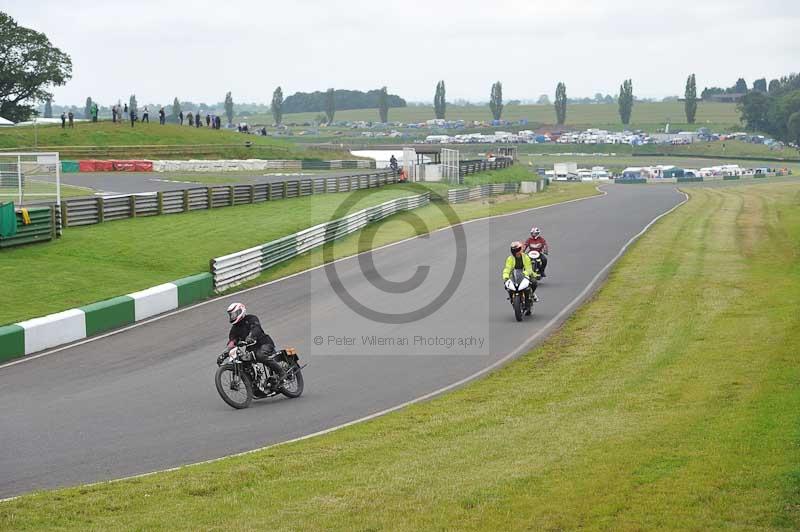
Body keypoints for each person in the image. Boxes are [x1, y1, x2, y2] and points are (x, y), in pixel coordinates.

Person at [225, 303, 286, 387]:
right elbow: (232, 341)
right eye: (231, 315)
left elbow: (256, 328)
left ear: (240, 311)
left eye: (234, 314)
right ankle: (254, 384)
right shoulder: (234, 328)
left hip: (264, 343)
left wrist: (250, 336)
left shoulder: (251, 318)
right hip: (251, 349)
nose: (232, 317)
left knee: (260, 355)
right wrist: (225, 353)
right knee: (244, 362)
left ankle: (281, 372)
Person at [502, 241, 539, 313]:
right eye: (517, 250)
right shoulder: (510, 259)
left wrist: (525, 273)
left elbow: (528, 268)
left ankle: (531, 294)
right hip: (515, 275)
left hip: (525, 274)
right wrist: (506, 277)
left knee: (534, 282)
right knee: (507, 287)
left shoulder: (526, 257)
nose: (519, 251)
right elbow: (507, 268)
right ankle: (512, 299)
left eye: (519, 249)